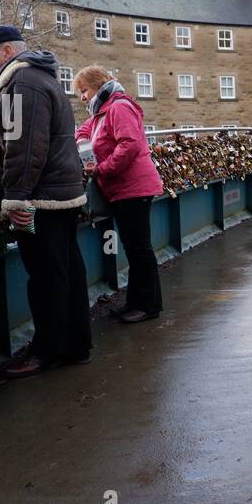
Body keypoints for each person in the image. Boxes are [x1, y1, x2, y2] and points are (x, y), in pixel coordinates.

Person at [0, 25, 90, 379]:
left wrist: (14, 198)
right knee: (66, 271)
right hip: (60, 194)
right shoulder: (36, 78)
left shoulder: (23, 82)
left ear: (5, 52)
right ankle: (75, 344)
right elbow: (24, 131)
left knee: (45, 278)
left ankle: (48, 350)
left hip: (41, 199)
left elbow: (27, 147)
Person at [73, 66, 163, 324]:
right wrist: (83, 143)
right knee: (134, 249)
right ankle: (136, 303)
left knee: (139, 249)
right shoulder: (102, 111)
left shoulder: (118, 107)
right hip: (123, 189)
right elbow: (84, 130)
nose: (82, 97)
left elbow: (130, 144)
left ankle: (148, 306)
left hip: (133, 188)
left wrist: (102, 168)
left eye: (84, 91)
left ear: (98, 85)